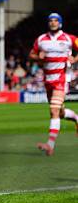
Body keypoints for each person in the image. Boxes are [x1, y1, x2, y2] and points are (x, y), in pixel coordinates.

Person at [28, 13, 78, 155]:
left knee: (53, 111)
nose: (53, 22)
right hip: (47, 81)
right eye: (51, 20)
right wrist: (38, 57)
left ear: (60, 22)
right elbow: (32, 54)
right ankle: (76, 117)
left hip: (61, 80)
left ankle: (50, 145)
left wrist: (75, 58)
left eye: (56, 20)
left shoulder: (69, 38)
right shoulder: (41, 39)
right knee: (60, 112)